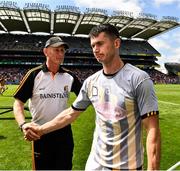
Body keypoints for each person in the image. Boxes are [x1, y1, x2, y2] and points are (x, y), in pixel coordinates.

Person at [25, 24, 161, 170]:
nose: (95, 49)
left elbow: (152, 129)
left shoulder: (139, 79)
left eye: (100, 44)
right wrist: (41, 130)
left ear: (116, 43)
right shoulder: (91, 82)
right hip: (95, 164)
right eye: (93, 45)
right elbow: (70, 114)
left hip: (126, 165)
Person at [13, 36, 82, 170]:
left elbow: (86, 98)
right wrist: (23, 124)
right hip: (40, 133)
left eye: (63, 51)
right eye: (57, 50)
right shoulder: (33, 74)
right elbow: (18, 103)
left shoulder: (70, 76)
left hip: (64, 133)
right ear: (45, 52)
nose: (61, 54)